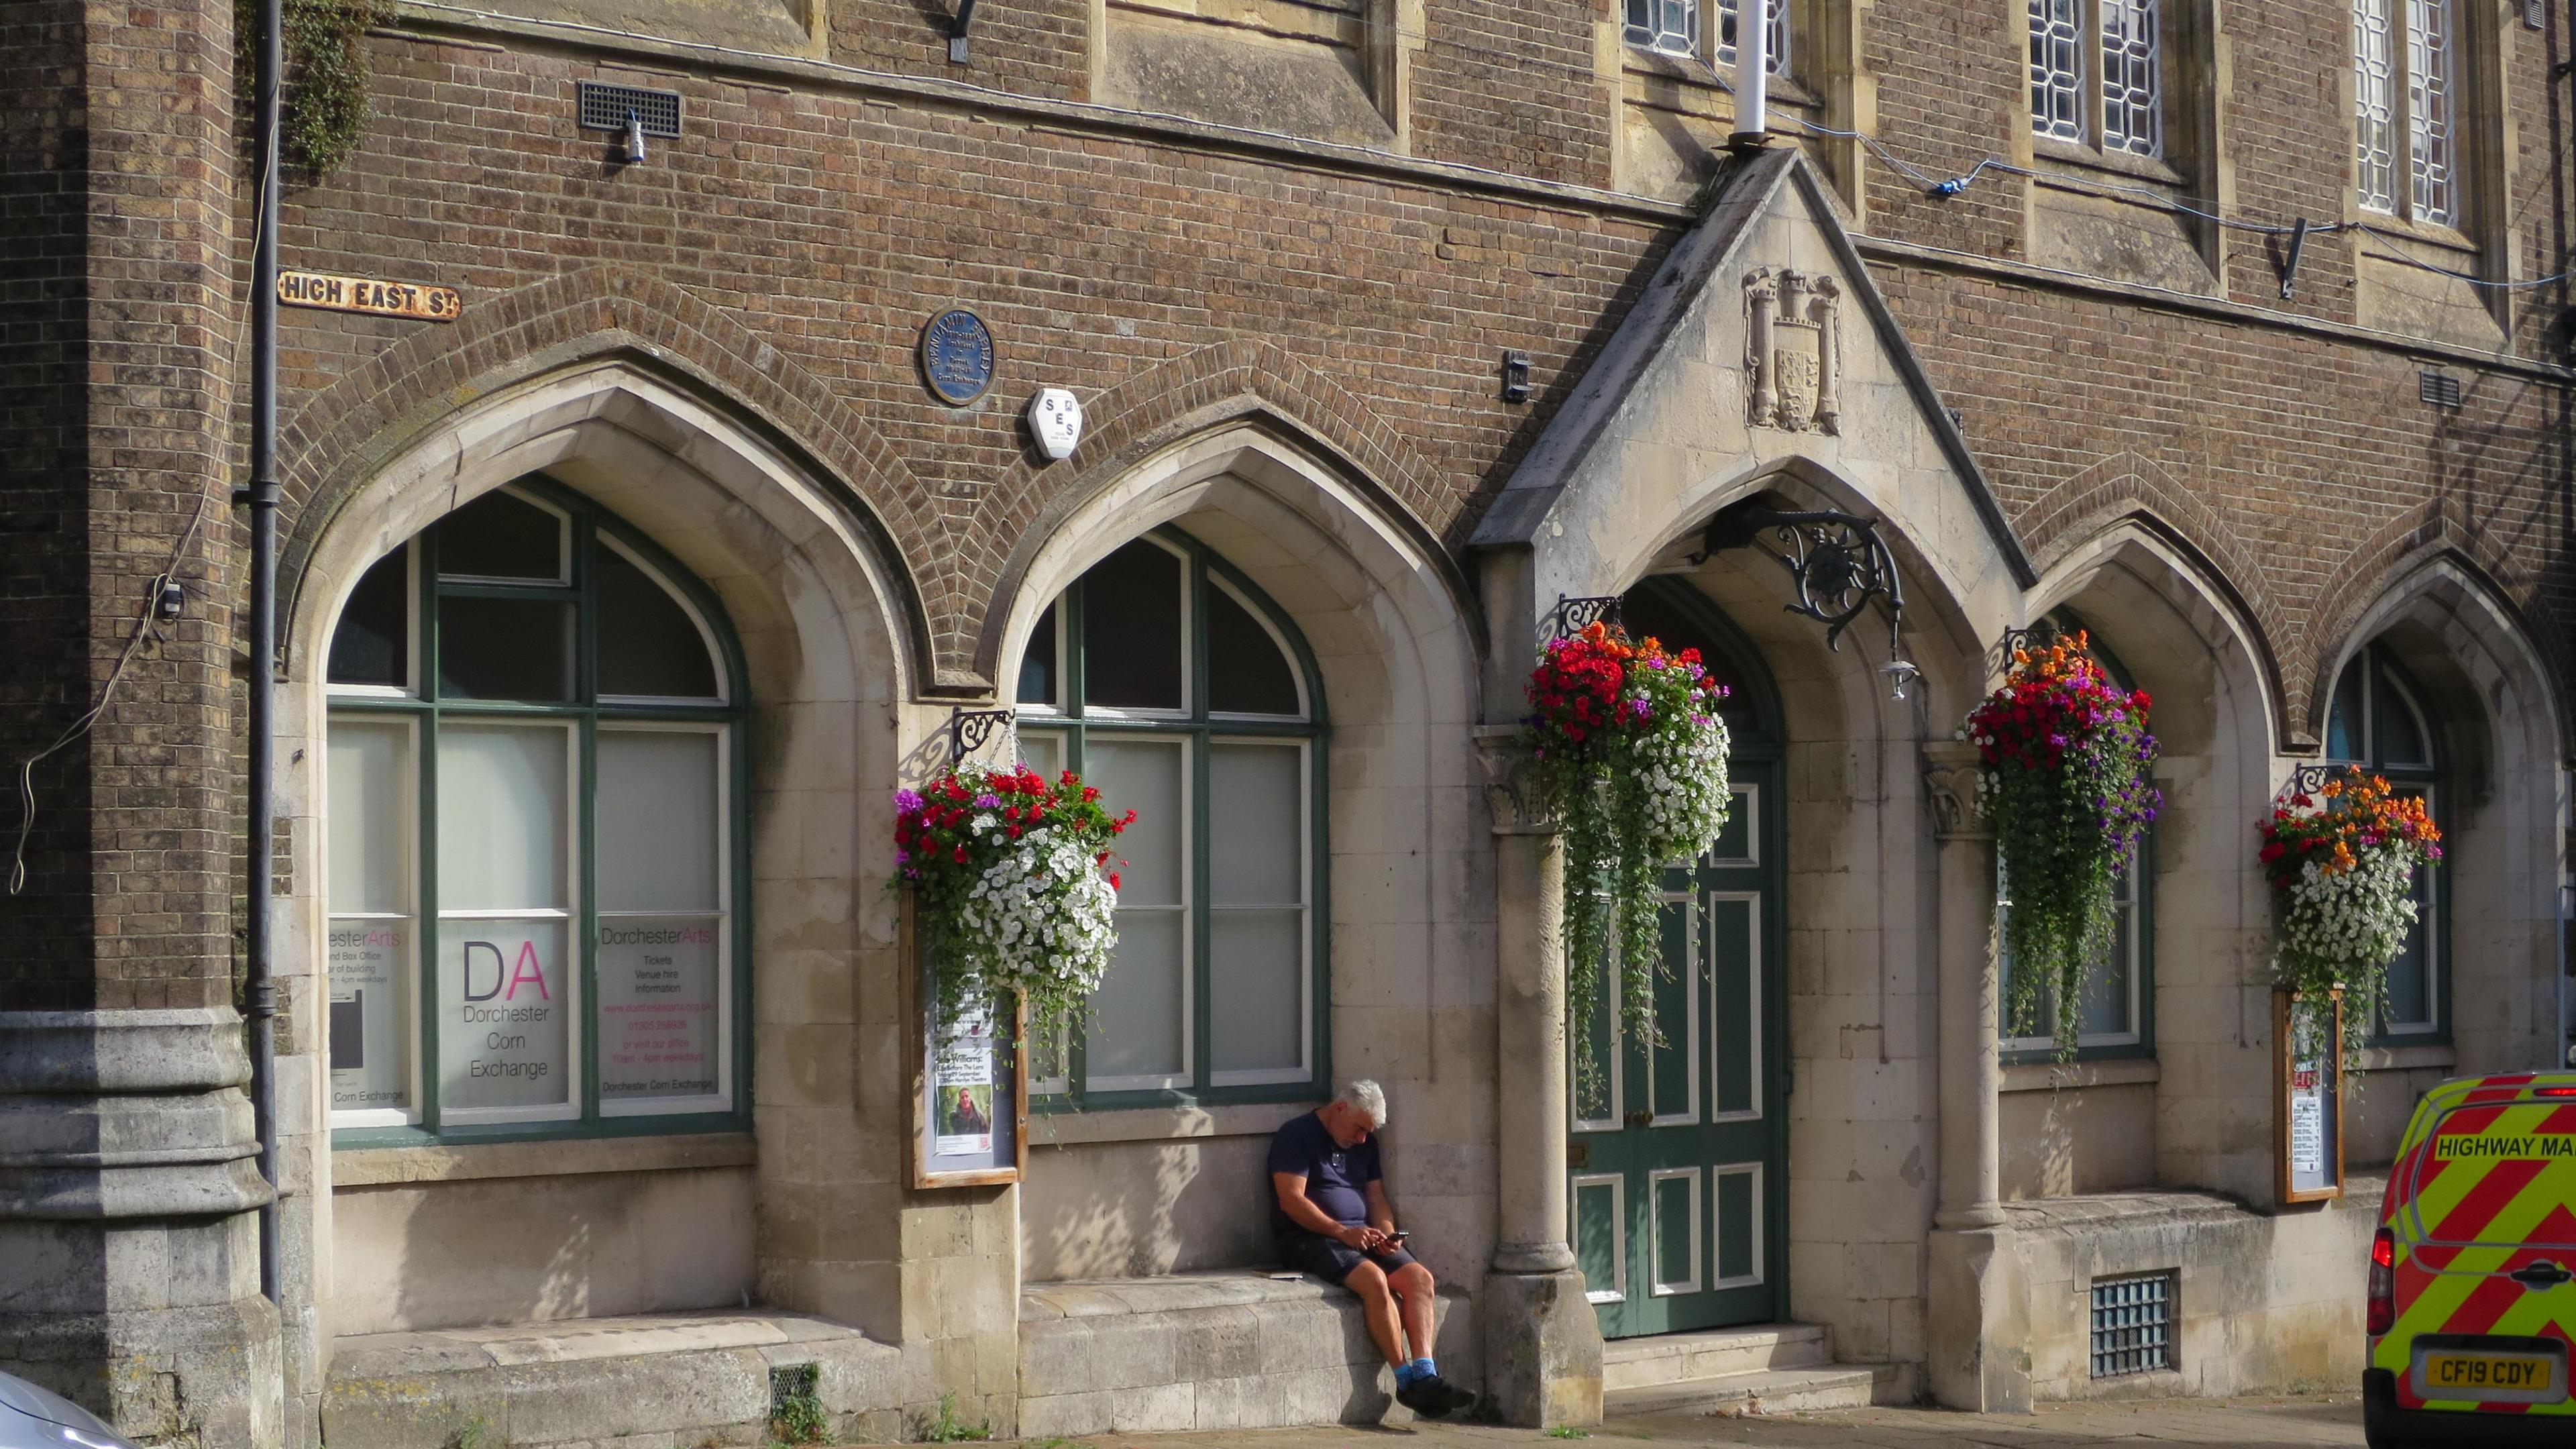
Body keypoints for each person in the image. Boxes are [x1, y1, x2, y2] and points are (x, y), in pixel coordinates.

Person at [1269, 1079, 1476, 1418]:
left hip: (1363, 1235)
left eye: (1369, 1131)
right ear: (1340, 1109)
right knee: (1375, 1281)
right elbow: (1291, 1200)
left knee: (1420, 1279)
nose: (1362, 1138)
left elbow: (1376, 1198)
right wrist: (1341, 1232)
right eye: (1359, 1128)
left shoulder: (1366, 1144)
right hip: (1312, 1237)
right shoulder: (1297, 1135)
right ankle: (1405, 1380)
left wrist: (1387, 1233)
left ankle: (1426, 1375)